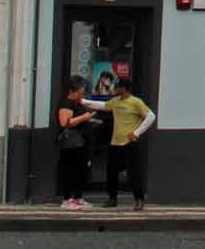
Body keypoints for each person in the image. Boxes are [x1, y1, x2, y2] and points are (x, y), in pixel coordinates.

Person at [98, 82, 157, 208]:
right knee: (112, 172)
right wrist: (82, 101)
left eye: (118, 87)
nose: (115, 89)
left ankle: (139, 199)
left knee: (133, 172)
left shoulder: (136, 102)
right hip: (115, 142)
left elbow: (151, 116)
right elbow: (103, 105)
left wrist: (137, 132)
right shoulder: (115, 101)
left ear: (124, 89)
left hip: (129, 143)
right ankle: (112, 198)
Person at [55, 76, 99, 210]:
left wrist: (90, 120)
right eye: (81, 88)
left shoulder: (77, 102)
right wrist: (84, 117)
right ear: (74, 89)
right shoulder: (66, 103)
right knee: (70, 170)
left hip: (81, 141)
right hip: (71, 143)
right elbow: (65, 123)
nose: (83, 91)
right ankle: (67, 199)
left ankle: (78, 197)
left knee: (79, 170)